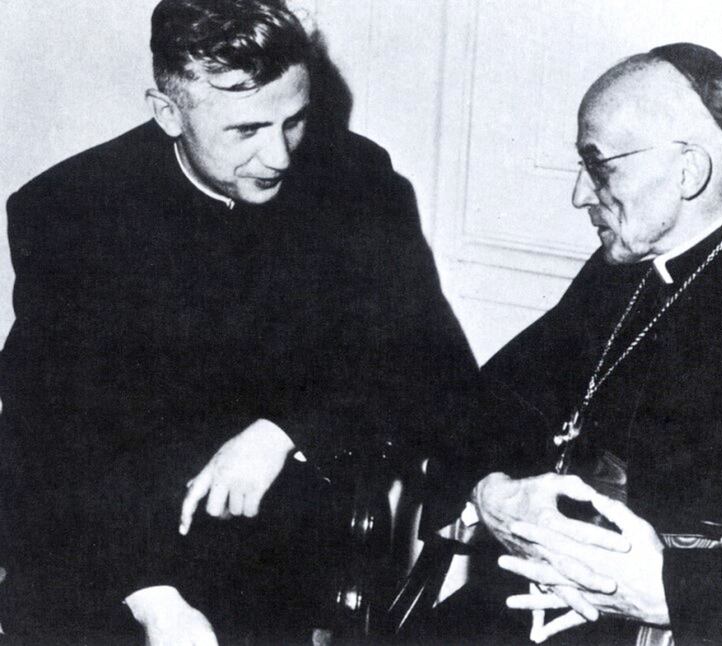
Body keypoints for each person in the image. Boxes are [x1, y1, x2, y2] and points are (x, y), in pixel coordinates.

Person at [0, 1, 476, 643]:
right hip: (104, 535)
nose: (278, 155)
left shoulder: (358, 183)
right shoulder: (71, 212)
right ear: (168, 112)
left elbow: (433, 365)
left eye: (295, 121)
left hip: (276, 532)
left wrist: (284, 430)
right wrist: (152, 595)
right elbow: (47, 430)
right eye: (246, 131)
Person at [426, 43, 722, 645]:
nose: (580, 195)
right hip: (533, 607)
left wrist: (672, 592)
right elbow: (481, 406)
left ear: (688, 172)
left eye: (600, 168)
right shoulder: (617, 274)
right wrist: (491, 493)